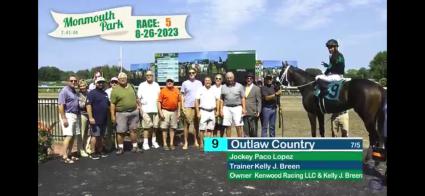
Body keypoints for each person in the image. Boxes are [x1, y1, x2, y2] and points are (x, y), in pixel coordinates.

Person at [110, 72, 143, 155]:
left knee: (134, 130)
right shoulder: (115, 90)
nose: (122, 79)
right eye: (120, 78)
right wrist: (113, 116)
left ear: (126, 78)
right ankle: (120, 148)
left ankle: (135, 146)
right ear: (118, 80)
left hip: (134, 112)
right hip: (121, 114)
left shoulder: (132, 86)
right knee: (121, 132)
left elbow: (136, 98)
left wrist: (140, 107)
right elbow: (112, 104)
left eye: (124, 77)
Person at [58, 75, 83, 164]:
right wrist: (64, 118)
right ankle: (64, 156)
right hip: (68, 115)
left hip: (75, 115)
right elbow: (61, 105)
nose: (73, 82)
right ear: (68, 81)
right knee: (68, 136)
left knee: (73, 137)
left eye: (75, 81)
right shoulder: (64, 91)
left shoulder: (74, 91)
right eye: (71, 80)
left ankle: (69, 154)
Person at [86, 77, 110, 159]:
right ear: (95, 83)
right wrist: (90, 117)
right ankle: (92, 152)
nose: (101, 84)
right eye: (99, 82)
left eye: (102, 82)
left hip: (104, 119)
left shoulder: (105, 94)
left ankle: (100, 151)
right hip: (95, 119)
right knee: (95, 136)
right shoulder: (91, 93)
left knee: (101, 136)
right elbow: (88, 105)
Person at [137, 70, 161, 150]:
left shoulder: (156, 85)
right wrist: (140, 109)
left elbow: (159, 98)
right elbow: (138, 98)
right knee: (146, 128)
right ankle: (145, 143)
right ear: (145, 76)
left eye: (150, 75)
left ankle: (154, 142)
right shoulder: (141, 85)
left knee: (155, 127)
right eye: (147, 75)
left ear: (153, 76)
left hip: (155, 109)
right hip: (145, 110)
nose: (149, 76)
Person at [180, 68, 203, 150]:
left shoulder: (199, 83)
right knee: (186, 125)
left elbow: (201, 95)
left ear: (195, 73)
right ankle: (186, 142)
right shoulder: (184, 83)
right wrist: (182, 107)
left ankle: (196, 141)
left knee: (196, 125)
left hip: (197, 107)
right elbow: (182, 96)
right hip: (188, 106)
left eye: (193, 72)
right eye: (189, 73)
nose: (191, 74)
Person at [195, 77, 220, 150]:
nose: (207, 82)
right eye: (206, 80)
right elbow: (196, 101)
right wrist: (197, 112)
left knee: (210, 128)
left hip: (212, 111)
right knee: (202, 129)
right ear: (204, 82)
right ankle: (201, 143)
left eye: (209, 80)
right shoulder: (200, 89)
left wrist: (217, 110)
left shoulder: (214, 89)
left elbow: (217, 100)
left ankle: (208, 143)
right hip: (203, 111)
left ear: (211, 82)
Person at [220, 72, 246, 137]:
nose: (229, 79)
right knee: (227, 126)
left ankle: (239, 142)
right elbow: (222, 99)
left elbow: (243, 98)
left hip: (237, 107)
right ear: (226, 78)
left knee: (238, 126)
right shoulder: (223, 87)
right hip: (226, 108)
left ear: (233, 77)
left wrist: (244, 108)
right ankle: (229, 141)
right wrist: (221, 109)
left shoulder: (240, 86)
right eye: (228, 78)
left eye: (230, 78)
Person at [157, 78, 181, 151]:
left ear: (173, 82)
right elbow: (159, 102)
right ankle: (164, 144)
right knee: (164, 128)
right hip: (165, 111)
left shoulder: (177, 90)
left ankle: (171, 144)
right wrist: (160, 112)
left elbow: (179, 101)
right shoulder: (163, 90)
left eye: (171, 81)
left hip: (174, 111)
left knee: (172, 128)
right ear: (166, 82)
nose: (169, 82)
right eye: (168, 81)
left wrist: (179, 111)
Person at [243, 73, 262, 137]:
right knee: (246, 132)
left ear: (252, 79)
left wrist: (258, 111)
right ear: (246, 79)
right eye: (247, 78)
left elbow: (259, 101)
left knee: (254, 132)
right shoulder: (243, 88)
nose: (249, 79)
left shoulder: (257, 89)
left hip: (253, 113)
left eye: (250, 78)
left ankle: (254, 144)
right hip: (244, 113)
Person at [104, 77, 118, 151]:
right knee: (109, 130)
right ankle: (108, 145)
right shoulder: (107, 91)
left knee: (118, 129)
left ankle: (118, 145)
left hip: (118, 112)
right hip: (108, 113)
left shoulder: (120, 90)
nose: (114, 83)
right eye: (112, 82)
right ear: (110, 83)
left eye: (116, 82)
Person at [77, 80, 90, 157]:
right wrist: (87, 102)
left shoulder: (89, 93)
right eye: (80, 86)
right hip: (82, 114)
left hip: (90, 115)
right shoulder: (78, 95)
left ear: (86, 86)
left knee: (88, 133)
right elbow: (81, 105)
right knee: (81, 133)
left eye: (83, 85)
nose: (82, 87)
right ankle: (80, 149)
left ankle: (86, 147)